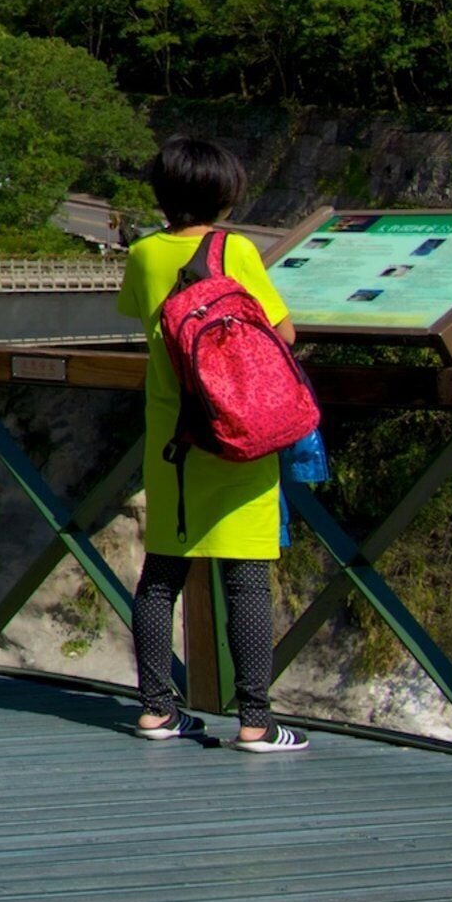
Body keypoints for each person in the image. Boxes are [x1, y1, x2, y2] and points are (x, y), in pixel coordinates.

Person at [117, 135, 306, 752]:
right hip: (236, 432)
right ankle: (256, 720)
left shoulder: (144, 254)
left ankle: (156, 710)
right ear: (225, 194)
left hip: (173, 437)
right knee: (246, 576)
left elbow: (141, 318)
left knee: (161, 574)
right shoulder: (235, 249)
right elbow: (283, 330)